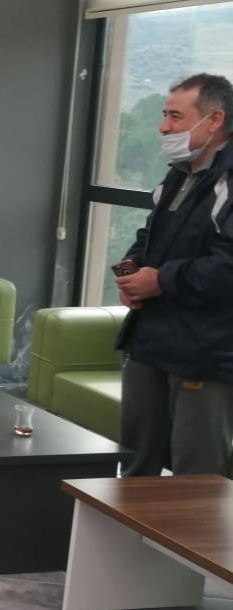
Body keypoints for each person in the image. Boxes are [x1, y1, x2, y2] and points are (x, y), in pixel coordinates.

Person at [115, 72, 233, 477]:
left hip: (204, 353)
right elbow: (149, 237)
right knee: (134, 464)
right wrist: (130, 274)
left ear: (214, 120)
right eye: (165, 116)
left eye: (175, 117)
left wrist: (160, 280)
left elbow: (227, 265)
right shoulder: (178, 173)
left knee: (194, 479)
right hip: (150, 340)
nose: (164, 127)